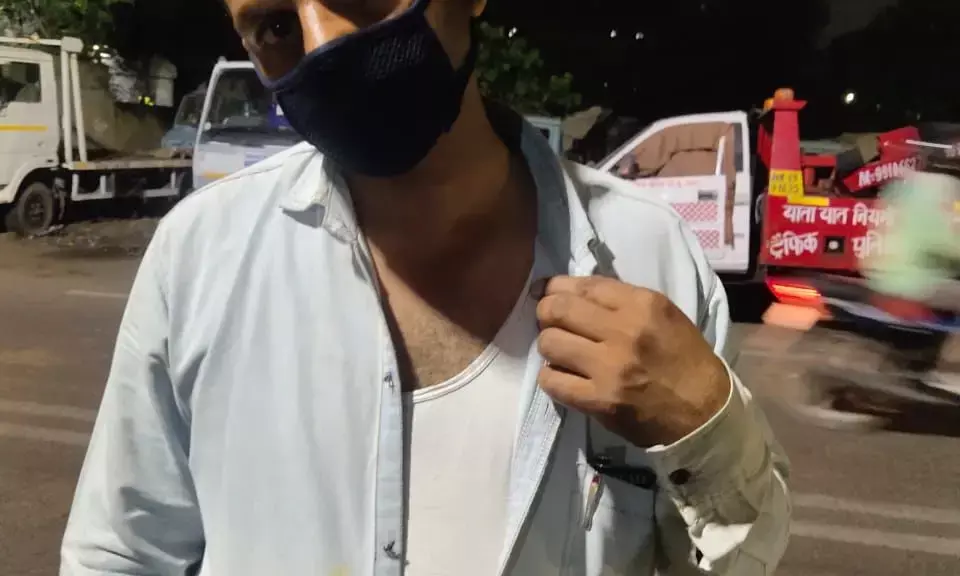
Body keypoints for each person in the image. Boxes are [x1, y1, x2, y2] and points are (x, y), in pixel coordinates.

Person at [60, 0, 790, 574]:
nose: (322, 42)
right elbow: (120, 555)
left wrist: (708, 430)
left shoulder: (650, 258)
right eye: (274, 26)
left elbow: (741, 560)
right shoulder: (201, 256)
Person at [862, 167, 960, 383]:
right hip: (916, 282)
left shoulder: (903, 184)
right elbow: (946, 241)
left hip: (881, 274)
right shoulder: (945, 188)